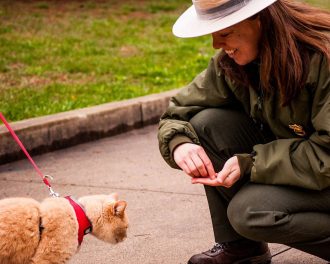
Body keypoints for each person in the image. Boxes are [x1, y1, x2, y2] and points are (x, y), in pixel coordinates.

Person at [157, 0, 330, 263]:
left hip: (325, 165)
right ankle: (242, 250)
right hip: (308, 166)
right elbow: (179, 110)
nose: (216, 44)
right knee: (206, 124)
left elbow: (327, 154)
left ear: (260, 19)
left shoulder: (323, 56)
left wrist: (251, 163)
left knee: (251, 212)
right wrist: (179, 142)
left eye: (224, 32)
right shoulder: (232, 62)